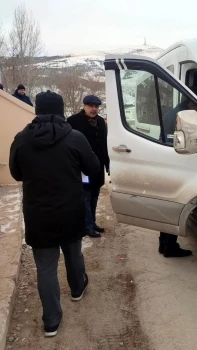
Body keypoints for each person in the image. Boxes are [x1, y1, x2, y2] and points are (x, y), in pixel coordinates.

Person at [9, 90, 100, 337]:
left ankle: (51, 320)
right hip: (70, 208)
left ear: (37, 111)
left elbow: (16, 174)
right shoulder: (76, 137)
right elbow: (93, 167)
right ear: (61, 111)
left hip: (38, 213)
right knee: (73, 252)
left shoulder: (21, 139)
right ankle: (77, 289)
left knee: (46, 267)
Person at [159, 86, 197, 258]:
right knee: (174, 207)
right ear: (191, 100)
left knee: (166, 207)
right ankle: (170, 247)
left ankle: (164, 245)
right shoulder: (185, 116)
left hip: (167, 161)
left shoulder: (174, 112)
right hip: (176, 163)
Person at [67, 95, 110, 238]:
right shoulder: (73, 121)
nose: (94, 109)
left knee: (94, 196)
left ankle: (92, 222)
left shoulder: (100, 122)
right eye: (91, 106)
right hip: (83, 167)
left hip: (98, 166)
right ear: (84, 106)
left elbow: (103, 144)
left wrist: (107, 164)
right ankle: (88, 226)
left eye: (96, 106)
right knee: (85, 196)